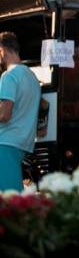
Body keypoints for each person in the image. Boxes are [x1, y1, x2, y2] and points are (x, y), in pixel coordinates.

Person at [0, 32, 41, 191]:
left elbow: (4, 114)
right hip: (23, 142)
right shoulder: (32, 77)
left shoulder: (8, 76)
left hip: (5, 141)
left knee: (9, 199)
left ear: (2, 50)